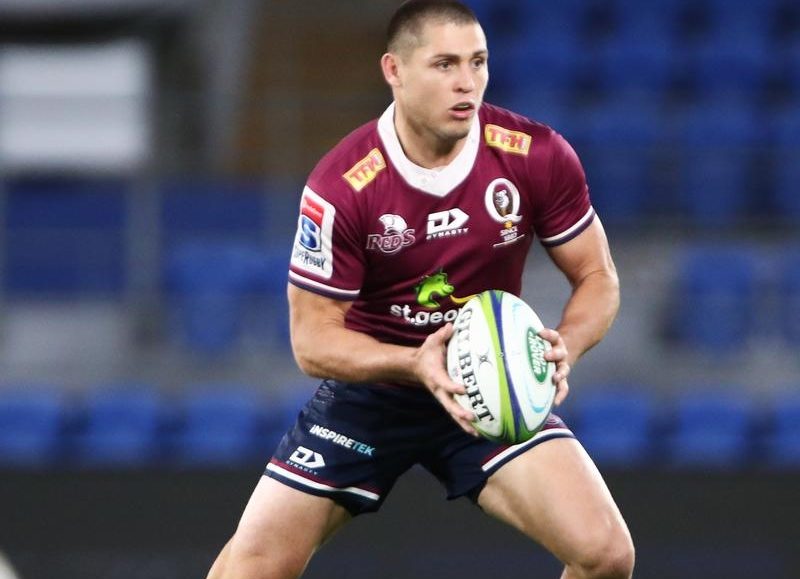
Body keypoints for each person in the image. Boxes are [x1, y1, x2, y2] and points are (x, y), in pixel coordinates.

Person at [207, 1, 634, 577]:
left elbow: (598, 277)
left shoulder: (535, 154)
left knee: (606, 555)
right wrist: (414, 363)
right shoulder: (342, 186)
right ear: (394, 70)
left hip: (488, 388)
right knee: (254, 568)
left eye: (478, 62)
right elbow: (312, 342)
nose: (467, 83)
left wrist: (569, 345)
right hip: (373, 397)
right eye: (444, 64)